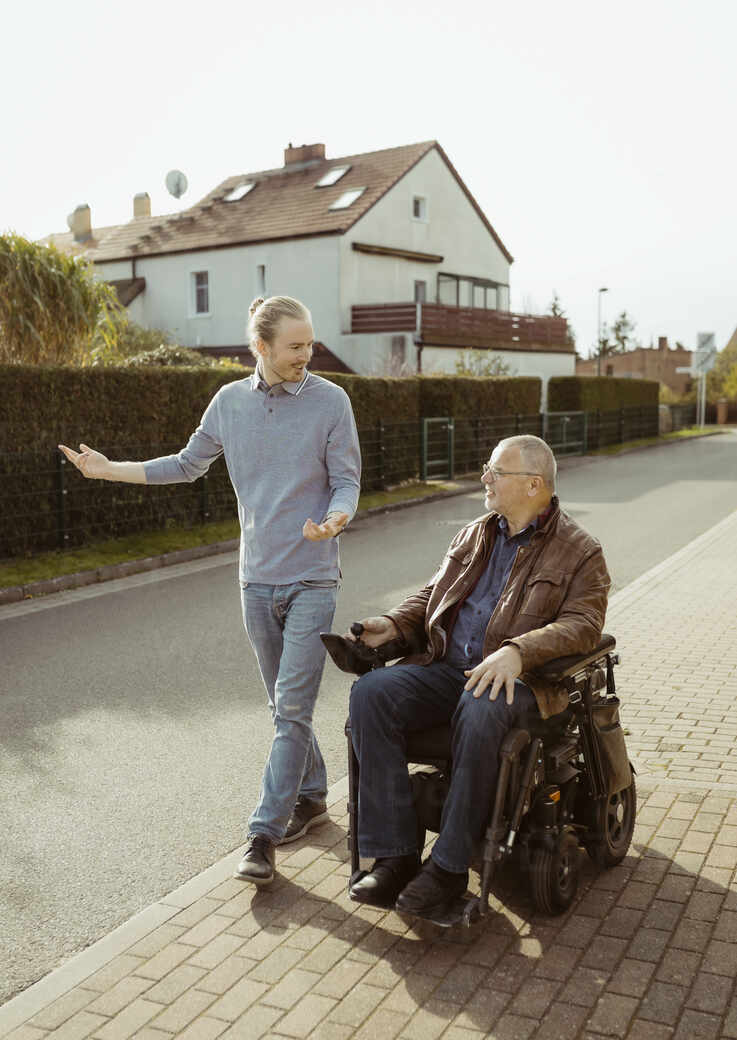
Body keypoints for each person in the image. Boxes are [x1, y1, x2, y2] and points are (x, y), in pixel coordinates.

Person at [59, 295, 361, 887]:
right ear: (262, 348)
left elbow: (347, 478)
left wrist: (336, 518)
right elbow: (186, 464)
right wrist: (109, 468)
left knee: (292, 708)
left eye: (310, 343)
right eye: (295, 346)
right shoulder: (229, 402)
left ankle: (262, 835)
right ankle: (313, 794)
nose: (308, 354)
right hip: (256, 579)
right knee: (285, 707)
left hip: (313, 576)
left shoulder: (331, 400)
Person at [347, 434, 610, 919]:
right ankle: (396, 855)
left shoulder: (580, 551)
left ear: (534, 485)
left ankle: (447, 870)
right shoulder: (475, 533)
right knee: (371, 693)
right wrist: (394, 624)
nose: (484, 478)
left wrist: (517, 652)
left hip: (524, 685)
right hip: (447, 669)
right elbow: (432, 596)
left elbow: (583, 625)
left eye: (495, 471)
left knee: (483, 703)